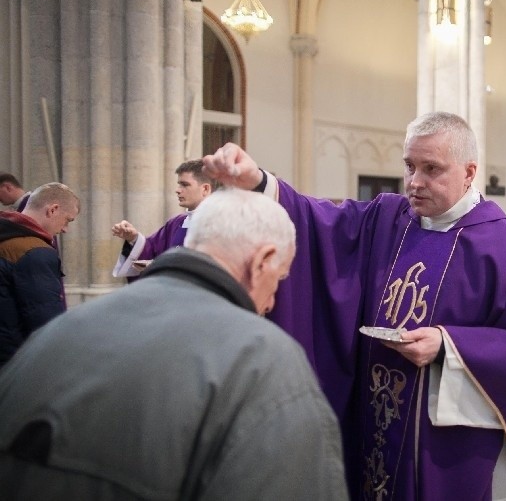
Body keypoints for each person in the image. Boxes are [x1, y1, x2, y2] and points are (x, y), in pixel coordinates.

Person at [203, 111, 506, 501]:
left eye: (432, 169)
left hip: (445, 451)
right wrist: (260, 182)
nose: (415, 182)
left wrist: (447, 346)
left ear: (469, 172)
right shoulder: (386, 219)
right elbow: (318, 221)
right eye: (410, 166)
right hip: (375, 423)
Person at [0, 188, 348, 500]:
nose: (272, 303)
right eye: (280, 279)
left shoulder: (64, 328)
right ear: (261, 262)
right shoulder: (263, 360)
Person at [0, 182, 80, 367]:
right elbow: (45, 320)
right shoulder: (35, 251)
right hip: (14, 363)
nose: (65, 229)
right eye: (68, 220)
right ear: (53, 210)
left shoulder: (6, 235)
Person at [111, 159, 215, 279]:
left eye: (185, 185)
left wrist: (161, 266)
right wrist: (133, 238)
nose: (178, 190)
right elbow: (151, 248)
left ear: (205, 189)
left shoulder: (220, 225)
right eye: (179, 184)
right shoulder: (176, 223)